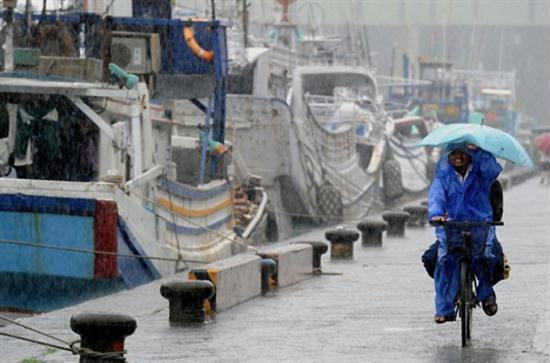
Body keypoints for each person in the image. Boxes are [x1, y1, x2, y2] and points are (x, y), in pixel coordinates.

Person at [427, 142, 502, 324]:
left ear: (469, 155)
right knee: (443, 261)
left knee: (485, 258)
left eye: (463, 153)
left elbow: (493, 170)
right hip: (453, 227)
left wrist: (479, 150)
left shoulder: (480, 173)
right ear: (448, 156)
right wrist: (436, 215)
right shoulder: (443, 177)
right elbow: (436, 197)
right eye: (454, 154)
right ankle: (445, 308)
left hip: (480, 224)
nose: (458, 158)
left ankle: (486, 295)